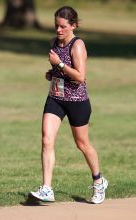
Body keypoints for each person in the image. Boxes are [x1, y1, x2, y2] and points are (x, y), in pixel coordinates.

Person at [30, 6, 108, 204]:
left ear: (73, 25)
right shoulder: (54, 42)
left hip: (77, 101)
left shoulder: (77, 45)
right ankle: (47, 188)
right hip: (55, 98)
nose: (58, 30)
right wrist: (52, 73)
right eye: (56, 25)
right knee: (47, 140)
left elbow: (80, 77)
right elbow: (59, 69)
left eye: (63, 26)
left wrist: (59, 65)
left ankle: (99, 181)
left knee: (82, 144)